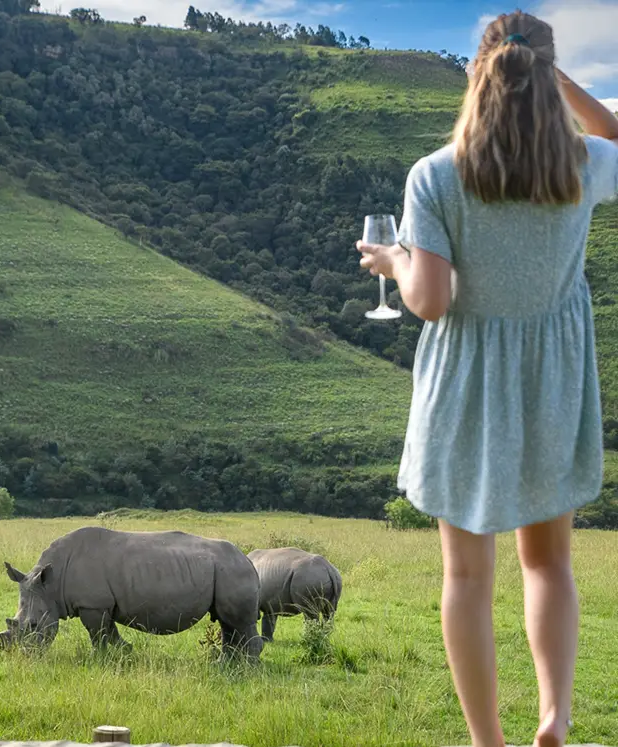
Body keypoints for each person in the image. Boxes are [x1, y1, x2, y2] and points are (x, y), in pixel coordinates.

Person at [355, 10, 618, 747]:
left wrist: (394, 260)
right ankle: (556, 714)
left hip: (467, 387)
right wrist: (553, 77)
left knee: (468, 577)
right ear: (547, 78)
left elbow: (431, 301)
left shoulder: (436, 177)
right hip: (553, 382)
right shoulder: (580, 168)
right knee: (549, 563)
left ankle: (487, 741)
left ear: (478, 73)